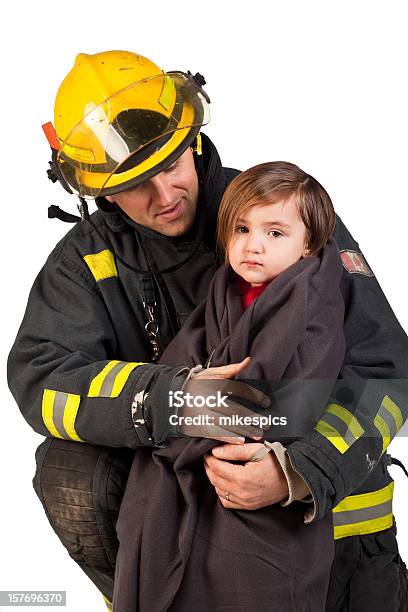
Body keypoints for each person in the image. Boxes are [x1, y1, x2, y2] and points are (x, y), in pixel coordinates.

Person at [7, 50, 408, 611]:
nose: (164, 195)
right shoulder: (87, 261)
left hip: (335, 530)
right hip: (187, 524)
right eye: (135, 184)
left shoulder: (278, 210)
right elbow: (41, 382)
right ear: (99, 190)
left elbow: (387, 370)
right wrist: (168, 401)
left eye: (171, 165)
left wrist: (300, 471)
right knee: (66, 470)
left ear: (192, 140)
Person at [113, 161, 346, 611]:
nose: (252, 245)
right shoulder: (225, 289)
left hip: (264, 466)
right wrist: (179, 404)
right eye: (241, 228)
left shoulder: (310, 297)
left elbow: (285, 397)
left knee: (253, 582)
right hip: (208, 461)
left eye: (274, 233)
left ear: (308, 245)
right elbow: (179, 370)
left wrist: (193, 415)